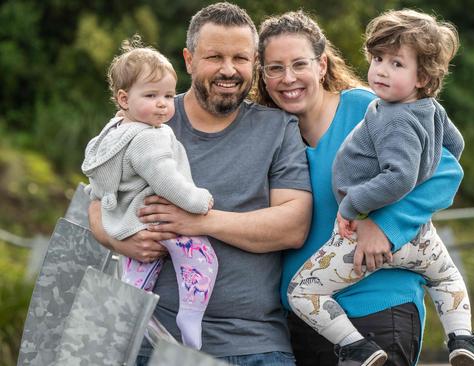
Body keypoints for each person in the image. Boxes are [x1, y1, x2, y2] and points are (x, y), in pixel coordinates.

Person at [256, 10, 474, 366]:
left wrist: (384, 226)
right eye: (275, 68)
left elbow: (445, 172)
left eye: (299, 64)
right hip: (303, 324)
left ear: (321, 65)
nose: (288, 78)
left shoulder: (373, 109)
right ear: (263, 74)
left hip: (378, 310)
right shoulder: (269, 134)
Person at [88, 3, 312, 365]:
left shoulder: (278, 129)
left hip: (254, 344)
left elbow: (293, 226)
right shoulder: (148, 117)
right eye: (214, 57)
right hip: (151, 341)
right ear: (189, 60)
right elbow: (97, 204)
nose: (228, 69)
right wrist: (120, 239)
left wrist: (200, 222)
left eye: (240, 58)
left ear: (253, 61)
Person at [82, 38, 217, 350]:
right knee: (202, 260)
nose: (163, 103)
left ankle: (131, 322)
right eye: (152, 95)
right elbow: (165, 179)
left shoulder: (114, 132)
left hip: (132, 223)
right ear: (124, 99)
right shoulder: (148, 139)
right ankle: (191, 316)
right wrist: (197, 201)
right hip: (160, 219)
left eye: (169, 96)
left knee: (138, 278)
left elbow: (100, 188)